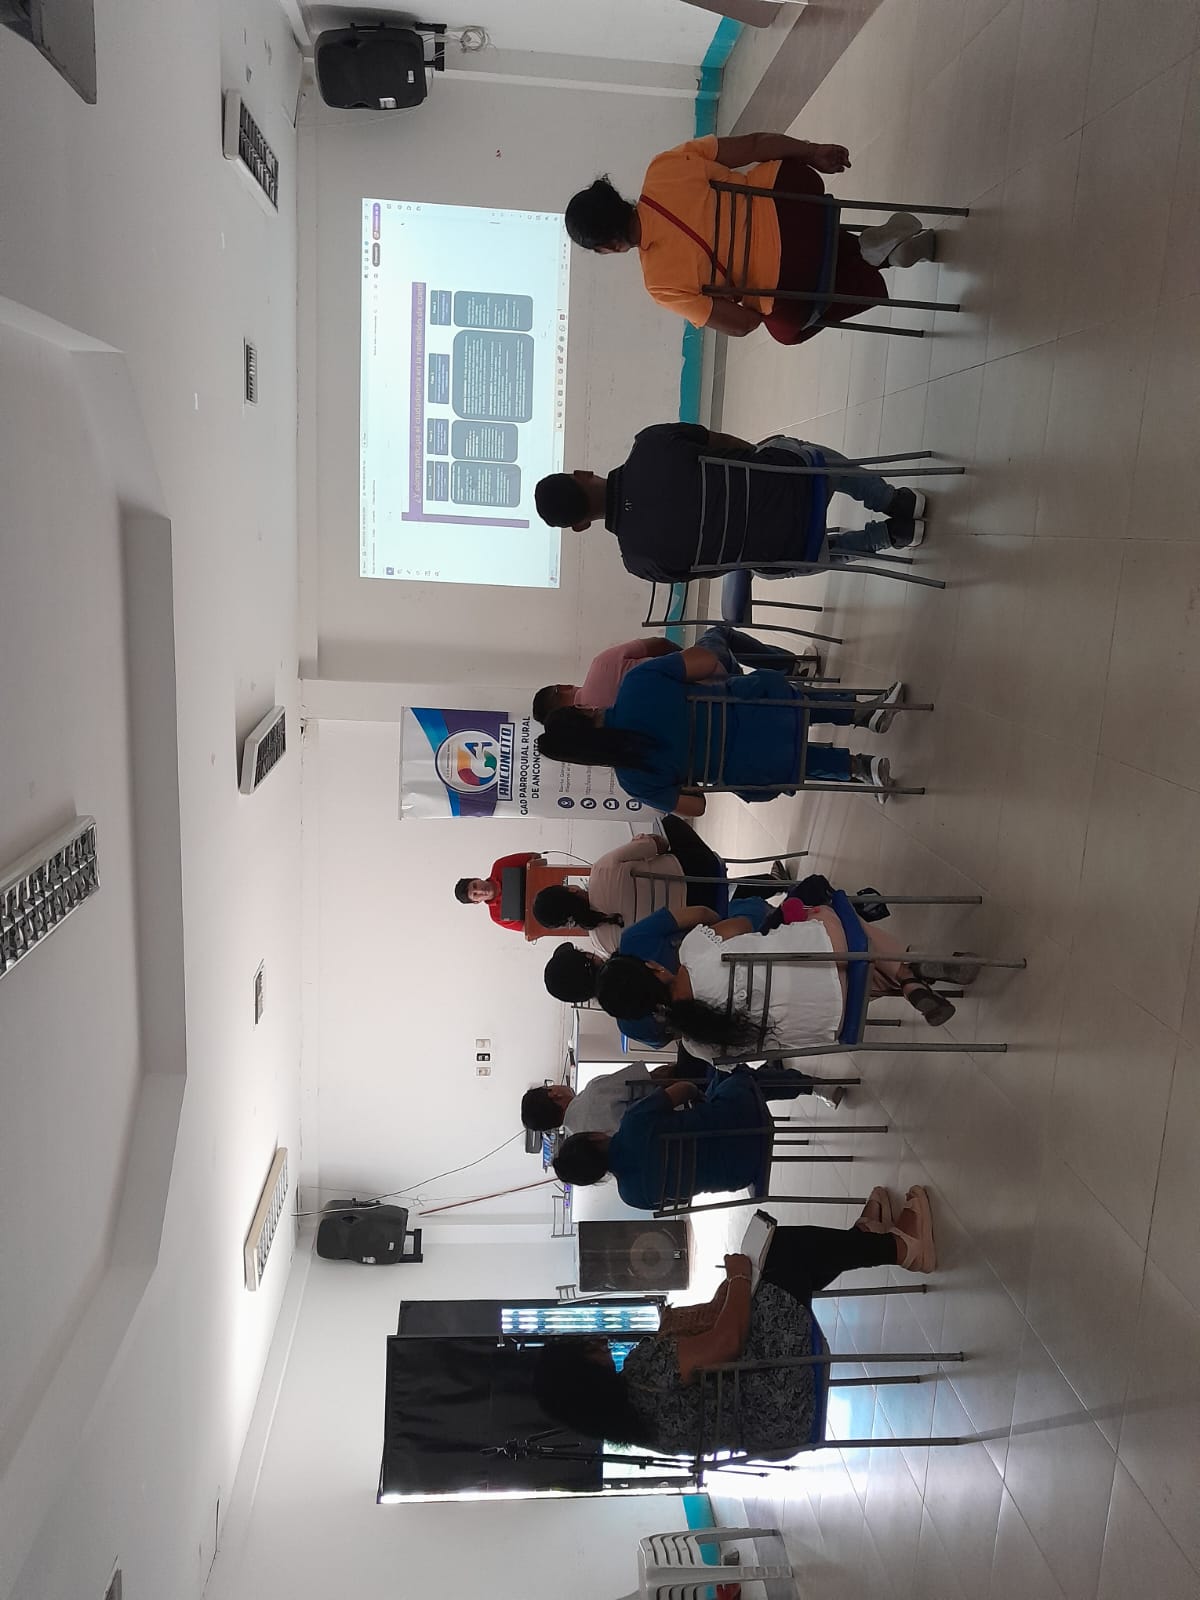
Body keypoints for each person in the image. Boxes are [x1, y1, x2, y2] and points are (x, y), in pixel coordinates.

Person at [533, 1187, 936, 1456]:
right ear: (586, 1373)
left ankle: (864, 1238)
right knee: (781, 1253)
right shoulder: (643, 1373)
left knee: (774, 1282)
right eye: (585, 1346)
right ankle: (902, 1248)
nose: (596, 1340)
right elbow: (728, 1342)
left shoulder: (635, 1427)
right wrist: (739, 1277)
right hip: (780, 1387)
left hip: (776, 1433)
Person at [564, 132, 934, 346]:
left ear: (607, 246)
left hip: (790, 279)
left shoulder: (659, 284)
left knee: (788, 325)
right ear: (614, 197)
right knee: (800, 237)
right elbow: (756, 144)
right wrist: (812, 151)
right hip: (795, 196)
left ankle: (877, 260)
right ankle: (873, 248)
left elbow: (743, 325)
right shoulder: (664, 167)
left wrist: (754, 291)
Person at [536, 642, 907, 814]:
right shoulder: (635, 684)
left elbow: (695, 807)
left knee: (761, 760)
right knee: (765, 700)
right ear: (583, 709)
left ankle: (860, 768)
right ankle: (863, 713)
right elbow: (706, 659)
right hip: (767, 706)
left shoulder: (633, 780)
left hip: (763, 771)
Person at [534, 423, 928, 581]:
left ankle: (887, 537)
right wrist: (760, 466)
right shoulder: (650, 443)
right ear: (582, 473)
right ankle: (891, 500)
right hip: (800, 480)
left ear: (579, 525)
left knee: (764, 566)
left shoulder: (639, 562)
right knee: (791, 451)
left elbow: (716, 569)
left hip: (797, 550)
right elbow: (731, 446)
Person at [593, 895, 974, 1058]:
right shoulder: (694, 950)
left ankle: (910, 977)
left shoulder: (699, 1046)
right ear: (653, 968)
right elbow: (746, 923)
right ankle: (911, 972)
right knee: (820, 913)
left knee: (846, 975)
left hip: (835, 1019)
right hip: (833, 952)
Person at [552, 1063, 825, 1208]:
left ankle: (800, 1083)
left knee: (726, 1086)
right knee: (729, 1070)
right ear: (594, 1138)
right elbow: (684, 1088)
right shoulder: (633, 1122)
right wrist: (700, 1100)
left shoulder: (632, 1196)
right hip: (743, 1119)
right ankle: (810, 1085)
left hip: (742, 1173)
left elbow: (682, 1198)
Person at [530, 814, 790, 956]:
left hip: (705, 925)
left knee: (715, 895)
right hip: (700, 870)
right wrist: (644, 842)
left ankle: (773, 886)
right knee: (667, 821)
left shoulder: (603, 943)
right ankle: (773, 883)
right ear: (571, 889)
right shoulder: (601, 870)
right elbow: (657, 844)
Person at [532, 625, 814, 725]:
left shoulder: (608, 735)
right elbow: (659, 644)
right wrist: (689, 658)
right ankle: (791, 668)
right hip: (714, 675)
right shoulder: (601, 666)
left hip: (713, 716)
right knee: (719, 634)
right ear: (563, 687)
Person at [521, 1061, 677, 1135]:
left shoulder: (583, 1144)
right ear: (554, 1094)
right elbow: (654, 1079)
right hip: (680, 1109)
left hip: (674, 1145)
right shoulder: (595, 1091)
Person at [454, 851, 543, 932]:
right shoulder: (496, 916)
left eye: (475, 885)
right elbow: (529, 929)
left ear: (477, 879)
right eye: (475, 894)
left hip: (547, 879)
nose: (480, 890)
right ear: (476, 902)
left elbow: (535, 857)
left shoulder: (499, 866)